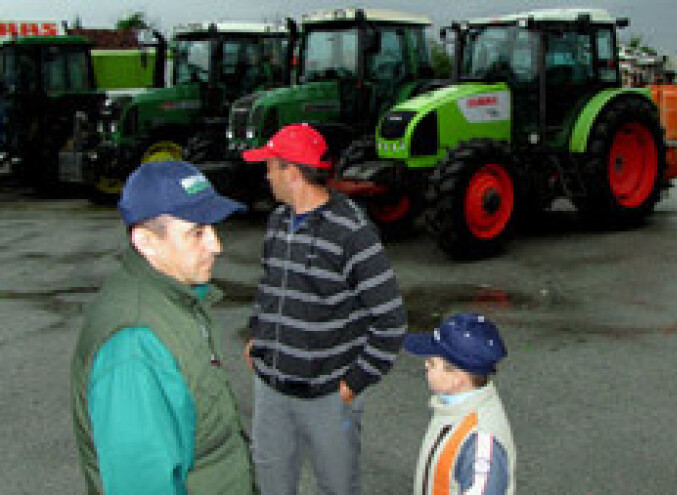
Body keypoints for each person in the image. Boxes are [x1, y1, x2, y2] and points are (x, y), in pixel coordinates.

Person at [70, 160, 256, 494]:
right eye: (197, 232)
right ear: (147, 241)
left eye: (212, 229)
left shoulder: (177, 297)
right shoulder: (135, 347)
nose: (216, 245)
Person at [242, 123, 407, 495]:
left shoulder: (351, 232)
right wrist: (258, 335)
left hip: (329, 396)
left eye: (271, 165)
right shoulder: (278, 221)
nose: (266, 174)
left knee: (336, 488)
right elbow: (271, 285)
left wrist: (355, 383)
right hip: (271, 389)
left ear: (293, 172)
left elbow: (391, 319)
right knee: (270, 483)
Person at [404, 312, 516, 495]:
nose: (426, 365)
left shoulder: (480, 443)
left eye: (432, 363)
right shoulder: (454, 407)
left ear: (457, 379)